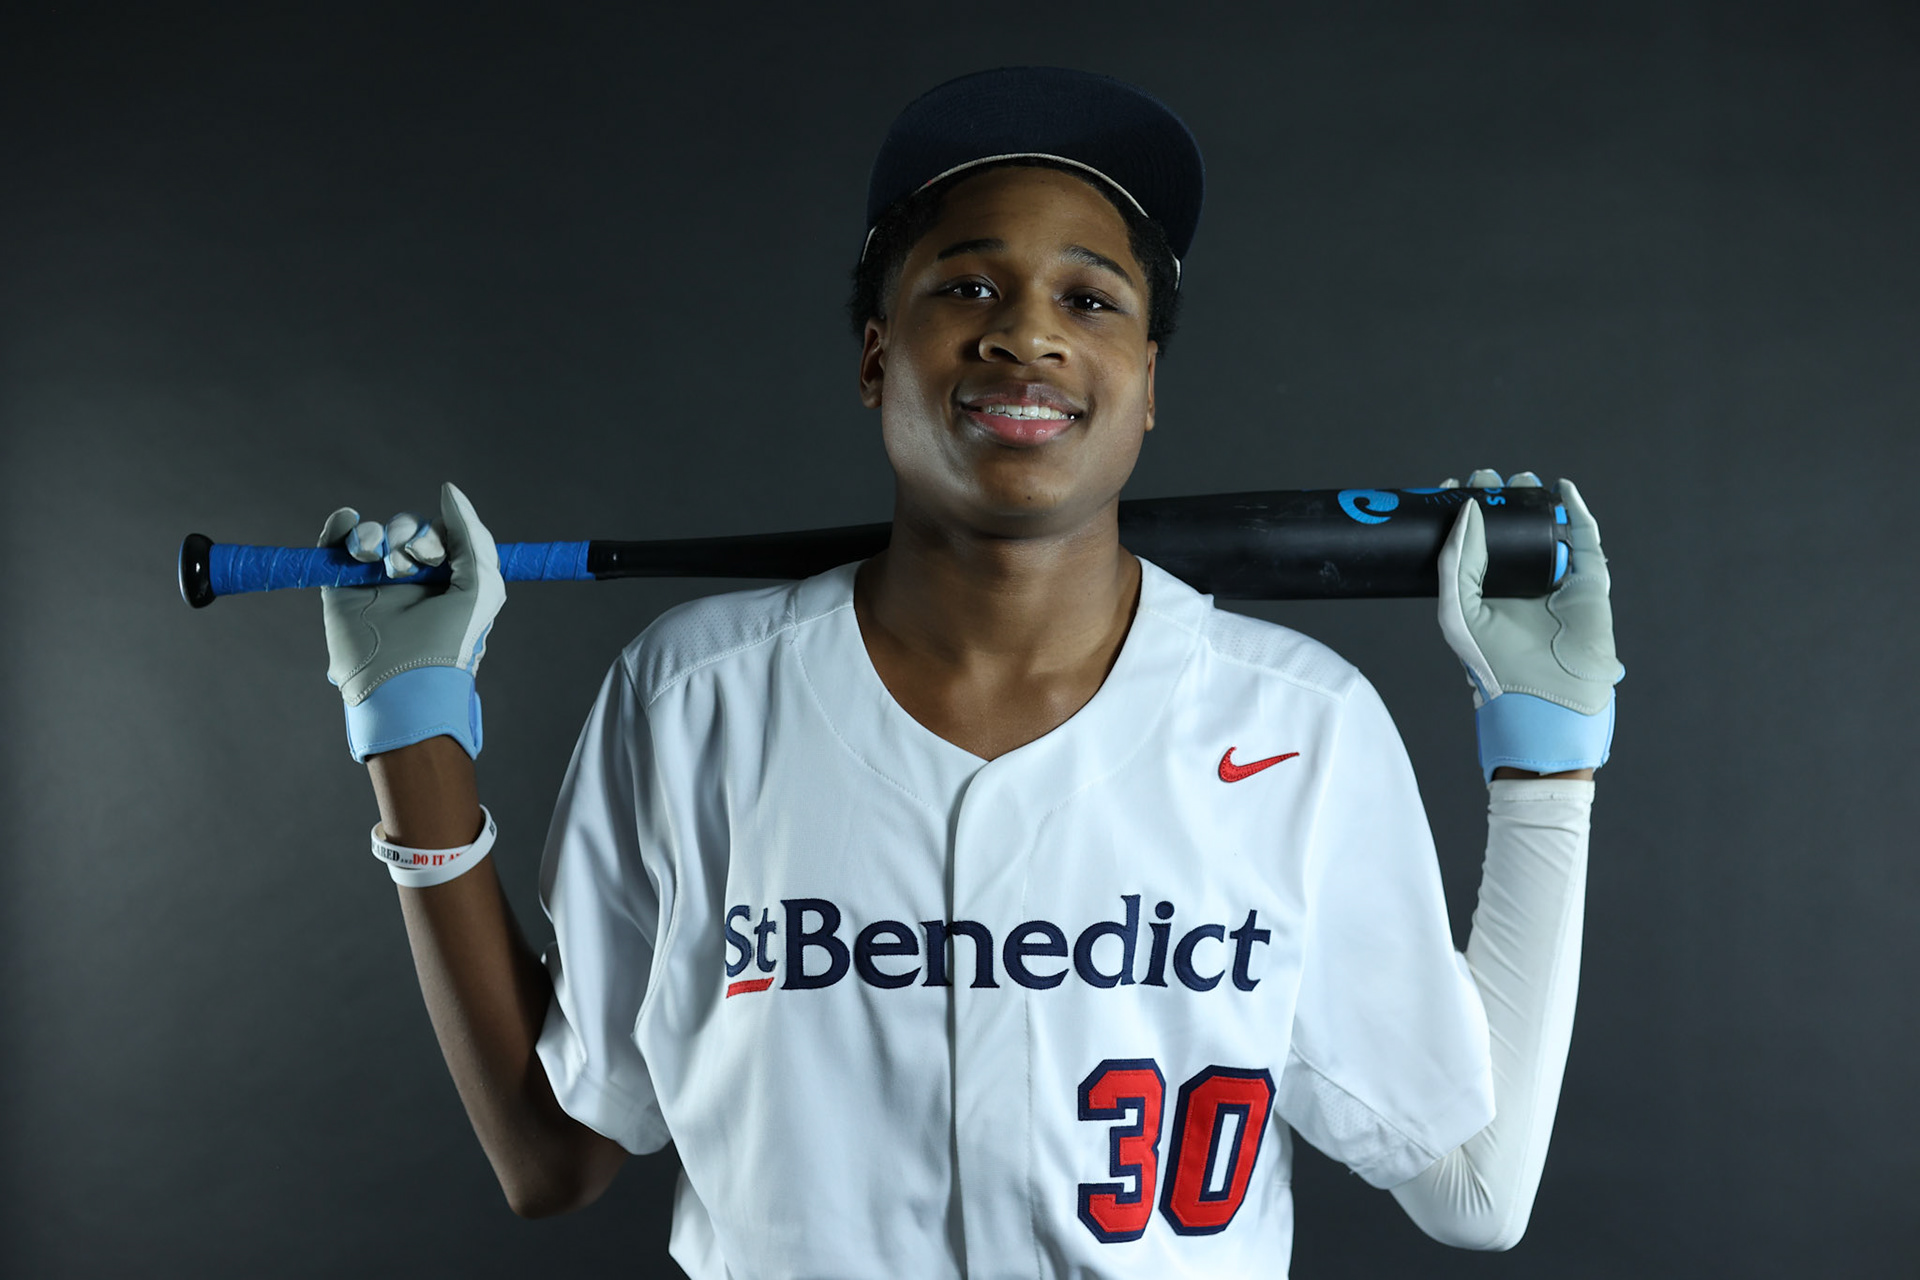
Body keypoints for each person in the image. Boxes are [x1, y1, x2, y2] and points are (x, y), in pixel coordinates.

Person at [316, 67, 1620, 1278]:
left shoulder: (1301, 722)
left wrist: (1546, 758)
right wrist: (411, 739)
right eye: (967, 288)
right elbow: (559, 1151)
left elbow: (1471, 1183)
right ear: (878, 354)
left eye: (1090, 299)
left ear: (1144, 382)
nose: (1028, 335)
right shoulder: (696, 697)